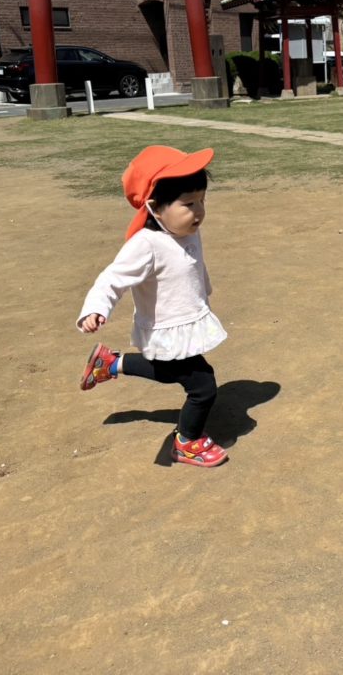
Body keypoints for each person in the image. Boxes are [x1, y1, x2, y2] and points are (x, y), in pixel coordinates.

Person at [77, 145, 229, 468]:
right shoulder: (146, 245)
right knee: (203, 386)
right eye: (188, 204)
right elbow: (112, 279)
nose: (199, 211)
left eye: (202, 200)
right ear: (155, 208)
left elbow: (194, 265)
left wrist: (204, 291)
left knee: (168, 372)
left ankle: (110, 363)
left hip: (187, 321)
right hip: (166, 328)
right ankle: (187, 442)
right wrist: (96, 309)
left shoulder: (187, 230)